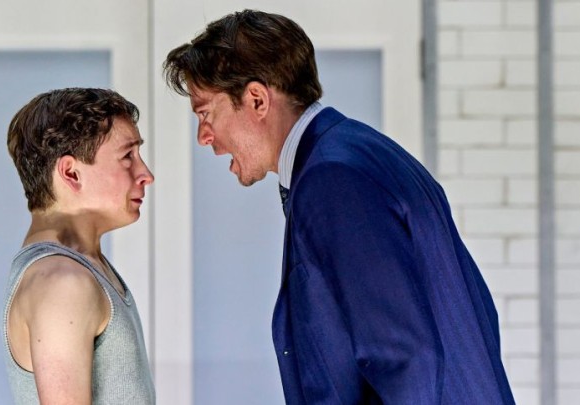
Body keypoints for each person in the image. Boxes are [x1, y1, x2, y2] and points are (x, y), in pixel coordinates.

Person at [164, 9, 515, 404]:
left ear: (257, 99)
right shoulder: (357, 153)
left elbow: (405, 359)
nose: (203, 136)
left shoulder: (333, 178)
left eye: (205, 113)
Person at [2, 87, 155, 404]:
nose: (146, 175)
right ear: (71, 173)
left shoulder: (80, 269)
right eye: (127, 157)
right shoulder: (62, 282)